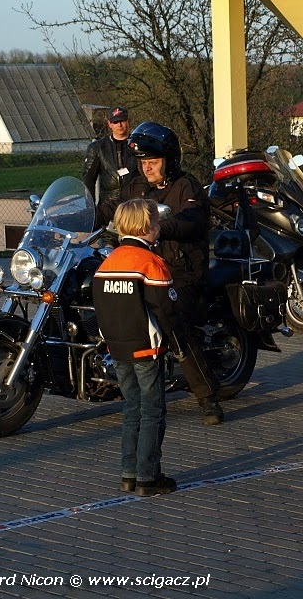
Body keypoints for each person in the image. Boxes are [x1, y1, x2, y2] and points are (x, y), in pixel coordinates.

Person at [96, 121, 224, 426]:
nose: (147, 167)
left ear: (169, 160)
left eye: (153, 161)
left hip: (181, 273)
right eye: (143, 162)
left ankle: (208, 398)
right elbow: (112, 206)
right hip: (142, 269)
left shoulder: (187, 187)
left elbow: (192, 218)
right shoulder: (136, 186)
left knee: (174, 323)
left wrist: (156, 228)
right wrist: (78, 216)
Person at [92, 198, 183, 496]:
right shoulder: (150, 263)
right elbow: (166, 309)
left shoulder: (106, 264)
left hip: (117, 349)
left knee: (132, 408)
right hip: (147, 348)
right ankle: (148, 476)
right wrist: (178, 341)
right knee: (152, 410)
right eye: (156, 223)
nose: (159, 228)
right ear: (145, 228)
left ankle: (128, 474)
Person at [83, 106, 138, 203]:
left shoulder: (139, 144)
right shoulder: (97, 148)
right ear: (109, 124)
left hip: (135, 203)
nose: (119, 125)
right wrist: (90, 207)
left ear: (128, 121)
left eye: (122, 121)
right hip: (108, 203)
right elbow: (88, 180)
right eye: (115, 122)